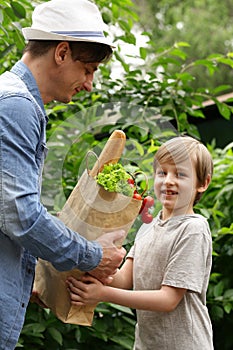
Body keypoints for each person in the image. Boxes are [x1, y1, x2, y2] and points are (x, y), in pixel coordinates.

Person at [0, 0, 126, 348]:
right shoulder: (16, 106)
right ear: (61, 52)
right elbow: (19, 216)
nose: (89, 85)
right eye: (87, 69)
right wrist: (94, 256)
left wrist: (33, 282)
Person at [67, 136, 214, 350]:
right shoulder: (149, 227)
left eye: (180, 174)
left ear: (203, 183)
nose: (168, 181)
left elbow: (168, 299)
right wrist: (90, 255)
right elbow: (125, 279)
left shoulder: (193, 229)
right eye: (162, 173)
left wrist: (102, 295)